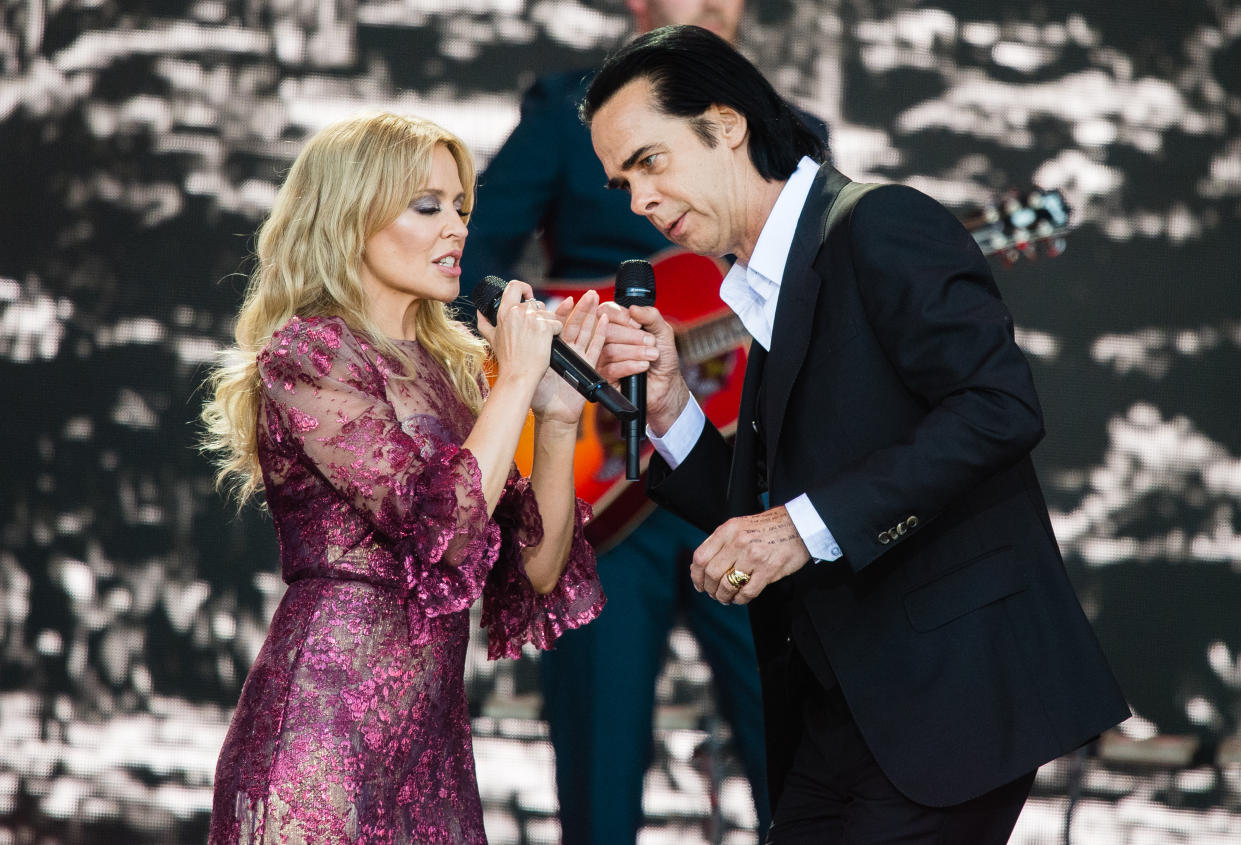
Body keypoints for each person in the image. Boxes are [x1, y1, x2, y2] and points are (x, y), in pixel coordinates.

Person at [586, 25, 1131, 844]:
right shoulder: (773, 275)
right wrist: (668, 409)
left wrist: (797, 528)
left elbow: (996, 407)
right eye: (620, 185)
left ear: (727, 124)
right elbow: (762, 513)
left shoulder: (882, 224)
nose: (640, 202)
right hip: (843, 713)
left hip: (946, 700)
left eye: (649, 162)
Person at [199, 111, 607, 843]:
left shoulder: (450, 370)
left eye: (461, 208)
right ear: (350, 215)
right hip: (322, 732)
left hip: (431, 752)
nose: (455, 227)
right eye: (427, 206)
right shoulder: (310, 353)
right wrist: (513, 378)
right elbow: (446, 528)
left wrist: (554, 416)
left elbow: (537, 568)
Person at [460, 2, 812, 839]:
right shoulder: (568, 111)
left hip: (743, 479)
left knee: (794, 753)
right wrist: (567, 338)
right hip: (598, 479)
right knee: (599, 758)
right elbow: (467, 264)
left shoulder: (794, 131)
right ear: (637, 7)